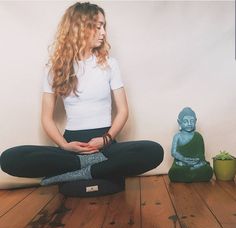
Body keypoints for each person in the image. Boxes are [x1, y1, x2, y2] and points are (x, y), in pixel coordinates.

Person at [0, 2, 163, 186]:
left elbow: (123, 111)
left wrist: (105, 139)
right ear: (79, 27)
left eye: (104, 26)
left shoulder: (110, 64)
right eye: (97, 26)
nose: (103, 33)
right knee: (10, 158)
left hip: (106, 144)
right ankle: (92, 167)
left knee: (153, 150)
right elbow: (46, 118)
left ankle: (83, 172)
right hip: (71, 147)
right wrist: (64, 146)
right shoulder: (54, 68)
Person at [168, 107, 213, 182]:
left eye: (192, 121)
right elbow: (174, 152)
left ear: (195, 121)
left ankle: (193, 170)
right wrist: (184, 159)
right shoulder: (177, 136)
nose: (189, 124)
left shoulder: (198, 136)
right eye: (185, 121)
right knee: (174, 171)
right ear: (179, 122)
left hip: (196, 163)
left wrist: (196, 162)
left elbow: (201, 154)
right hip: (181, 163)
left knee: (208, 170)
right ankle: (190, 171)